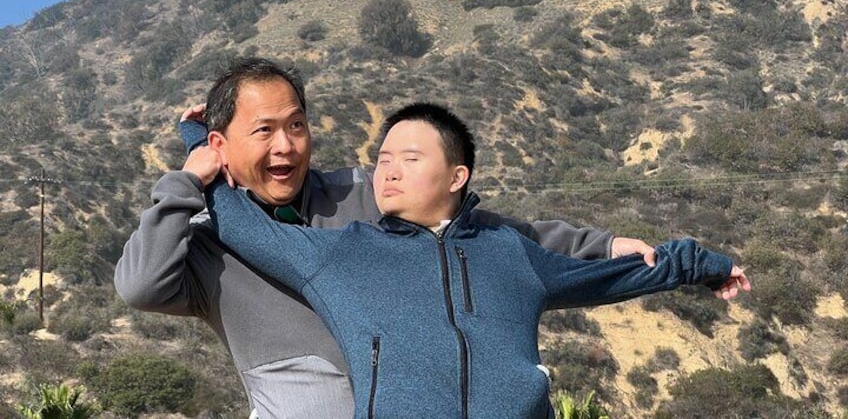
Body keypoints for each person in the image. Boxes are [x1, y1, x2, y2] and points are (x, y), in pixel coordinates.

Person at [115, 57, 673, 418]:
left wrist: (600, 246)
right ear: (219, 143)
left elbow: (484, 236)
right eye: (263, 131)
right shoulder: (208, 242)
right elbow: (140, 287)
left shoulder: (362, 194)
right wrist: (188, 179)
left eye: (296, 125)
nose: (285, 146)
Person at [191, 102, 750, 418]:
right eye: (382, 160)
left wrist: (707, 265)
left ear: (457, 177)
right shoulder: (342, 254)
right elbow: (242, 223)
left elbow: (618, 273)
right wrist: (200, 142)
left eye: (409, 158)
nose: (387, 171)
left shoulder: (509, 252)